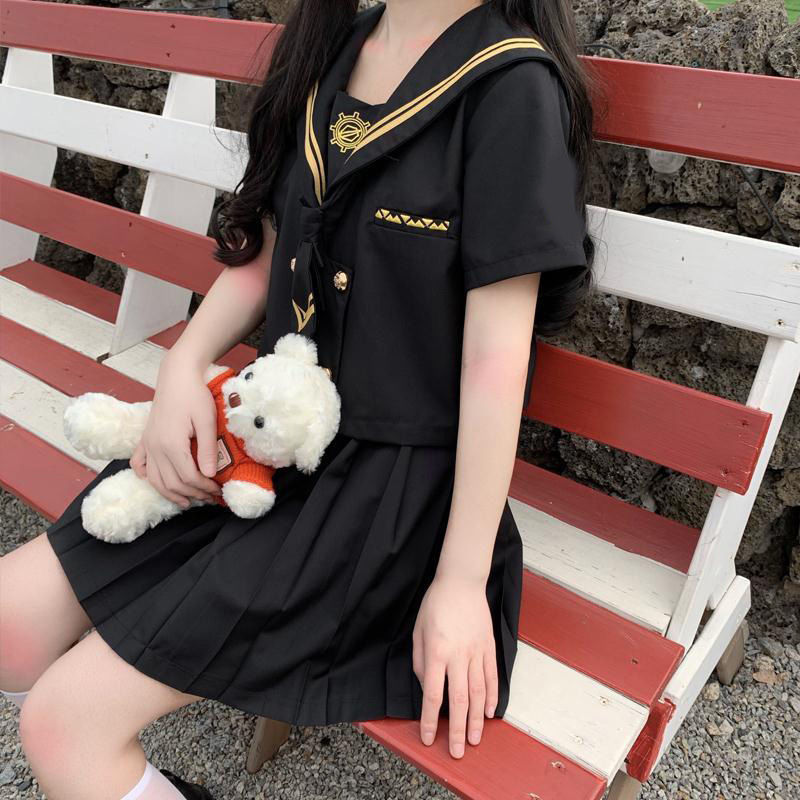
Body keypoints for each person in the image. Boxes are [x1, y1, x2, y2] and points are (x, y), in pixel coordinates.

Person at [0, 0, 597, 797]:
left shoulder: (510, 87)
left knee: (62, 727)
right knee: (9, 628)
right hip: (269, 432)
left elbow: (497, 360)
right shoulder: (333, 48)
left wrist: (458, 585)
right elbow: (272, 245)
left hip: (387, 499)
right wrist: (183, 368)